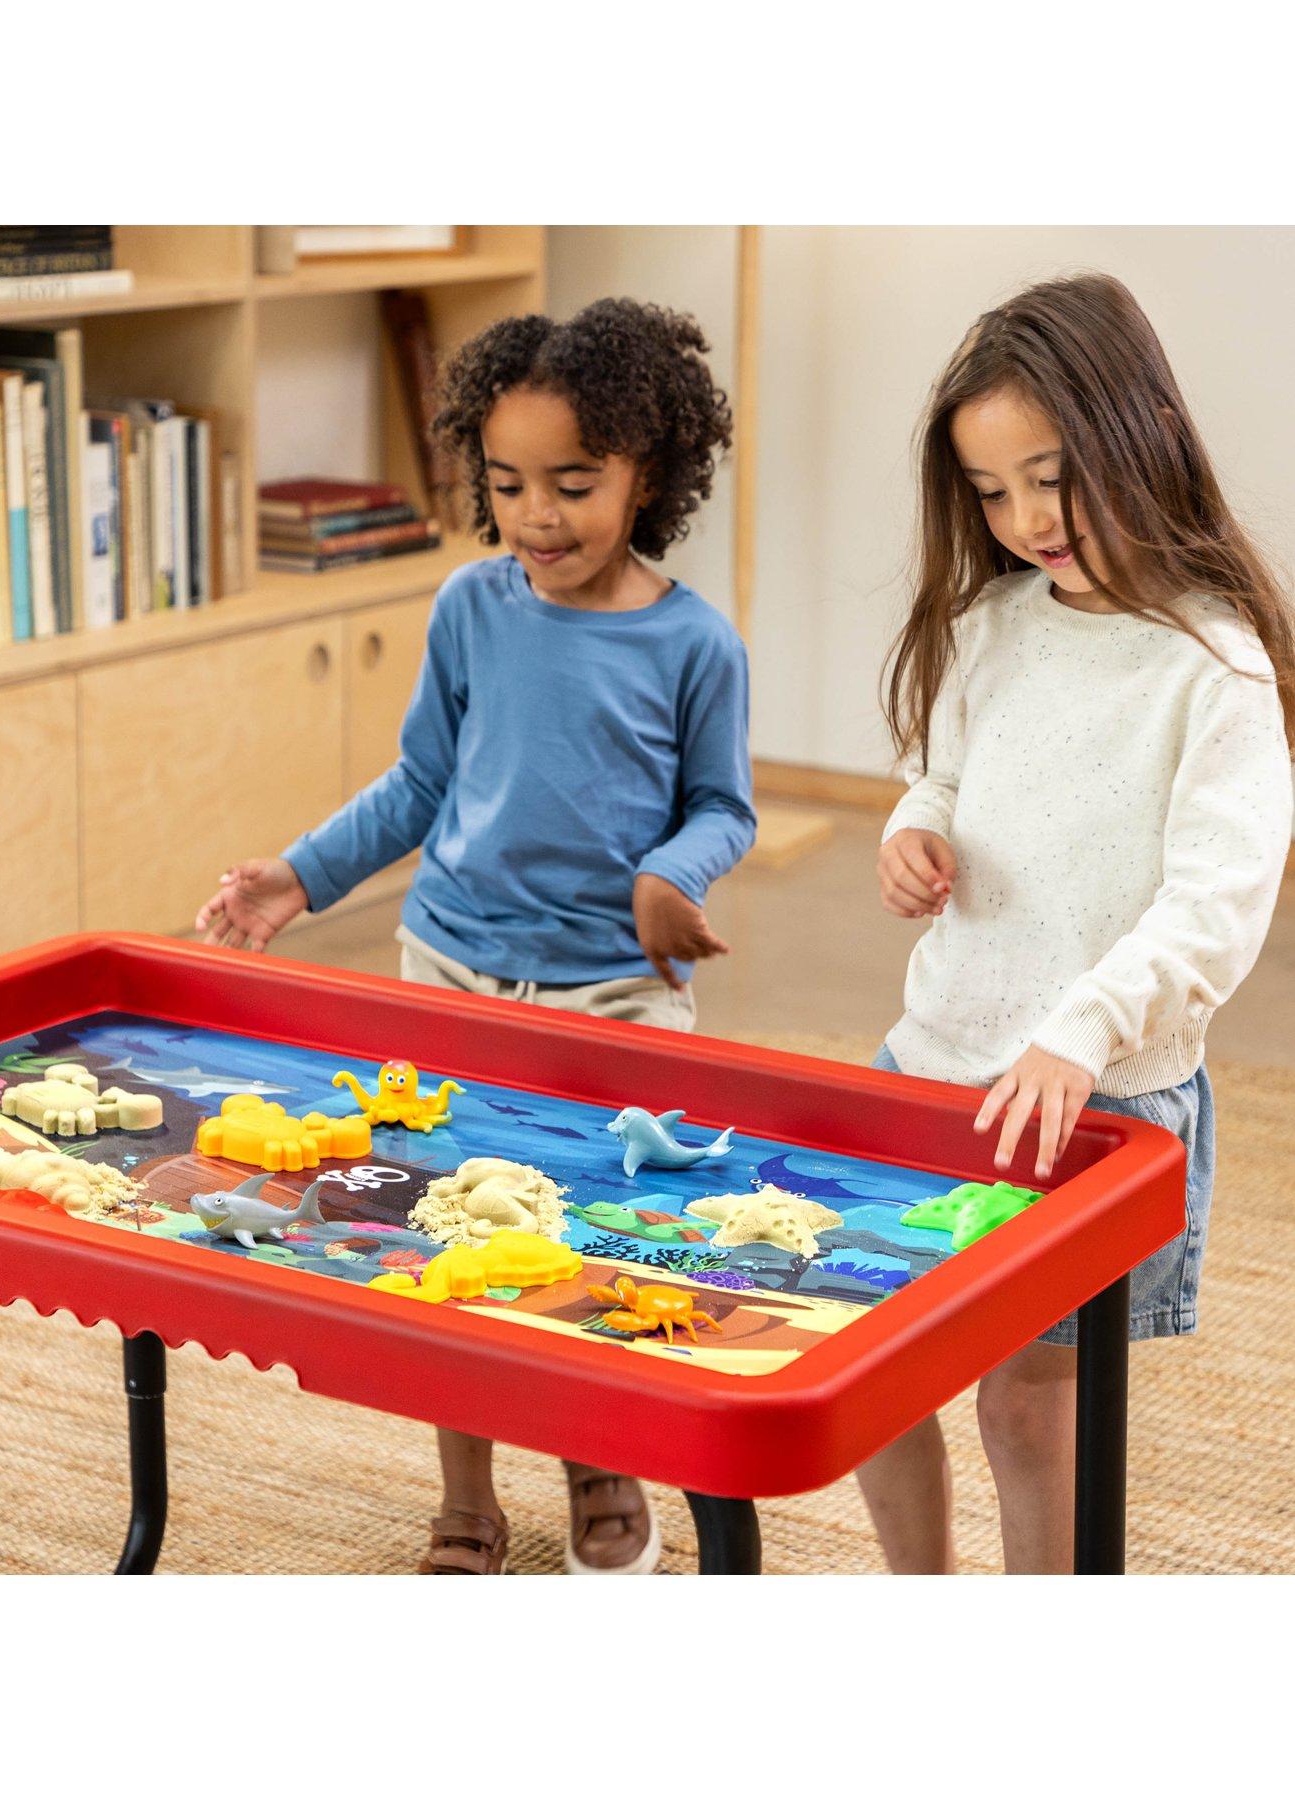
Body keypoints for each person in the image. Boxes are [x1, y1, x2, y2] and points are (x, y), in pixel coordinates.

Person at [194, 298, 755, 1575]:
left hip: (613, 988)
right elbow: (417, 786)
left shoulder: (693, 643)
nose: (538, 517)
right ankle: (466, 1492)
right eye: (508, 485)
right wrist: (299, 879)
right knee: (441, 1229)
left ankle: (598, 1463)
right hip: (447, 963)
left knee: (590, 1240)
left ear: (648, 474)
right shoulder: (470, 607)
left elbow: (725, 805)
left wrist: (673, 873)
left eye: (574, 483)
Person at [862, 272, 1294, 1574]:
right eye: (990, 493)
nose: (1023, 520)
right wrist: (908, 830)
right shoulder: (992, 626)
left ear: (1141, 428)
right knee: (866, 1360)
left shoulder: (1209, 665)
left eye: (1048, 478)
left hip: (1093, 1097)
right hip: (936, 1061)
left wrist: (1081, 1028)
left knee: (1025, 1408)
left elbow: (1214, 909)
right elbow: (936, 773)